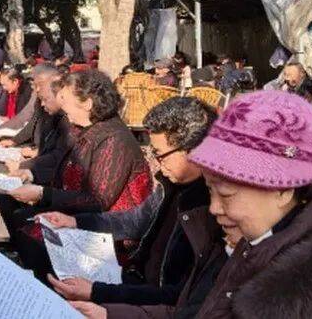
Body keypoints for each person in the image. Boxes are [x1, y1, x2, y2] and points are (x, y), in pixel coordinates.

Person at [68, 90, 312, 318]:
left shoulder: (311, 288)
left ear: (283, 189)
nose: (214, 208)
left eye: (226, 195)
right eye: (211, 191)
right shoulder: (248, 242)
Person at [42, 97, 217, 310]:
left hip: (154, 304)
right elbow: (135, 221)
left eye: (160, 155)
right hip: (134, 281)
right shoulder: (172, 184)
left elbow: (178, 295)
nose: (157, 165)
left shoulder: (214, 208)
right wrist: (75, 222)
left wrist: (97, 292)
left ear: (195, 151)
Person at [4, 70, 152, 281]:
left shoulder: (114, 139)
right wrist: (33, 176)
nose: (62, 106)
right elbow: (60, 164)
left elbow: (97, 200)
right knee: (17, 215)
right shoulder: (86, 129)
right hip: (82, 216)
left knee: (29, 231)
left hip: (111, 233)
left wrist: (43, 194)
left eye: (66, 99)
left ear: (87, 104)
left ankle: (51, 289)